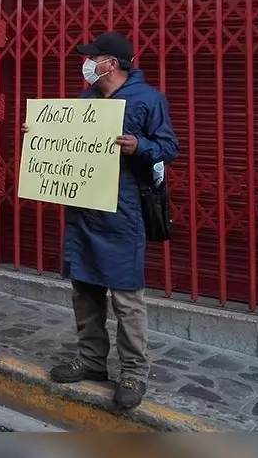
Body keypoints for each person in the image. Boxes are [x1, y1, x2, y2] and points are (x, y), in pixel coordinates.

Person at [37, 31, 178, 411]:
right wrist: (41, 137)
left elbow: (169, 147)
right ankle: (92, 360)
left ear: (110, 64)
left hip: (123, 211)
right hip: (84, 209)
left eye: (92, 57)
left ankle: (133, 371)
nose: (86, 64)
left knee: (127, 298)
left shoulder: (149, 99)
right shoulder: (86, 99)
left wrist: (139, 146)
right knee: (85, 289)